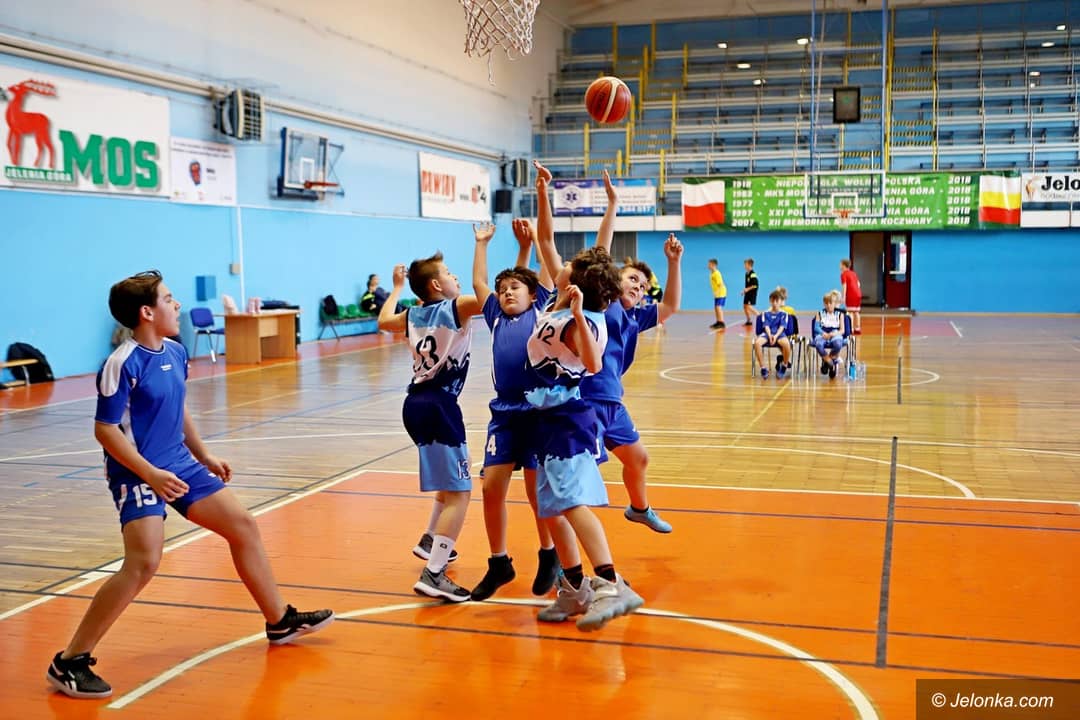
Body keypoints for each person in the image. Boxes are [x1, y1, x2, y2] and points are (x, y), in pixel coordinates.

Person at [47, 270, 334, 700]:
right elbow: (105, 430)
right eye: (168, 299)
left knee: (242, 526)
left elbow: (179, 408)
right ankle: (70, 660)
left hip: (179, 463)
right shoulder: (121, 364)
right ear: (147, 312)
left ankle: (279, 621)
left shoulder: (177, 351)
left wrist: (204, 455)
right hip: (137, 471)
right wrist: (150, 473)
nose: (177, 304)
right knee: (143, 563)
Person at [528, 160, 643, 631]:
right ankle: (574, 587)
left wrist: (576, 314)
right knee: (551, 506)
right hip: (545, 415)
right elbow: (546, 239)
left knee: (571, 502)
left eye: (569, 266)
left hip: (569, 417)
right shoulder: (559, 301)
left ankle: (613, 583)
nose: (561, 264)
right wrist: (543, 193)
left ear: (577, 282)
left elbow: (593, 365)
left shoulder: (584, 319)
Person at [377, 235, 487, 602]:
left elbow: (383, 321)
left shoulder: (413, 314)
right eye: (450, 273)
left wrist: (396, 288)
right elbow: (485, 294)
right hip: (439, 406)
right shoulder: (457, 307)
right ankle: (434, 573)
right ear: (438, 285)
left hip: (415, 404)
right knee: (461, 492)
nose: (456, 278)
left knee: (449, 481)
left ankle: (429, 540)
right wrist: (482, 246)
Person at [468, 218, 562, 601]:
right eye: (503, 289)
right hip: (504, 413)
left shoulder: (540, 309)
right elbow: (479, 282)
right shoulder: (495, 316)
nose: (507, 292)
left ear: (532, 293)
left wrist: (534, 242)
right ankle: (499, 562)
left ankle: (549, 553)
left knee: (537, 491)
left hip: (537, 411)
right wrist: (482, 243)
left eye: (515, 288)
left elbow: (543, 269)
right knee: (491, 487)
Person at [587, 170, 683, 535]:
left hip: (612, 401)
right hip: (585, 399)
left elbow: (670, 306)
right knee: (583, 476)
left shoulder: (633, 317)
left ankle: (639, 508)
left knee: (638, 458)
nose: (638, 288)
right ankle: (566, 544)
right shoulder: (604, 300)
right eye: (632, 279)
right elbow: (601, 251)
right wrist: (613, 204)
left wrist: (673, 263)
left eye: (643, 286)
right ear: (614, 280)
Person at [753, 290, 792, 380]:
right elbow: (766, 326)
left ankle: (784, 365)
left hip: (779, 334)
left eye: (776, 301)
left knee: (787, 344)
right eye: (772, 301)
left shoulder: (784, 314)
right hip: (767, 334)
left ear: (780, 302)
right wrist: (770, 335)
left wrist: (776, 336)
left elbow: (782, 327)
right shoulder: (765, 314)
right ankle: (763, 368)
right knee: (757, 343)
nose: (774, 303)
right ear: (770, 301)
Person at [813, 291, 845, 379]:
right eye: (826, 303)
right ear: (824, 304)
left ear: (834, 304)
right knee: (818, 344)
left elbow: (842, 330)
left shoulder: (840, 314)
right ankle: (829, 362)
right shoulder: (819, 313)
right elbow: (816, 327)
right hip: (823, 333)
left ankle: (827, 361)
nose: (828, 305)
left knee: (838, 344)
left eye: (830, 303)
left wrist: (834, 334)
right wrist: (823, 333)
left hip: (835, 333)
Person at [840, 259, 862, 334]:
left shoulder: (843, 274)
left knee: (850, 312)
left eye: (840, 264)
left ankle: (851, 329)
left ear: (843, 265)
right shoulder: (853, 273)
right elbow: (858, 284)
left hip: (851, 295)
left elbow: (844, 286)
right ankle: (857, 328)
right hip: (858, 294)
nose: (839, 266)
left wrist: (843, 297)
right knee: (856, 312)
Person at [708, 258, 726, 329]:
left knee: (718, 307)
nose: (708, 266)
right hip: (717, 293)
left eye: (709, 264)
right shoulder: (712, 273)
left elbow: (720, 284)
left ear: (713, 265)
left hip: (720, 293)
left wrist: (717, 293)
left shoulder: (716, 273)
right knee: (716, 307)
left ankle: (722, 323)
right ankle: (718, 321)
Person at [741, 258, 759, 326]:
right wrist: (744, 291)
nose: (744, 266)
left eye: (745, 264)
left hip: (752, 292)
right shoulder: (746, 274)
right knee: (745, 306)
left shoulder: (753, 274)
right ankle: (749, 321)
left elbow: (755, 285)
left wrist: (747, 289)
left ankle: (760, 317)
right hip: (748, 292)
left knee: (748, 306)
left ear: (749, 265)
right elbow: (747, 284)